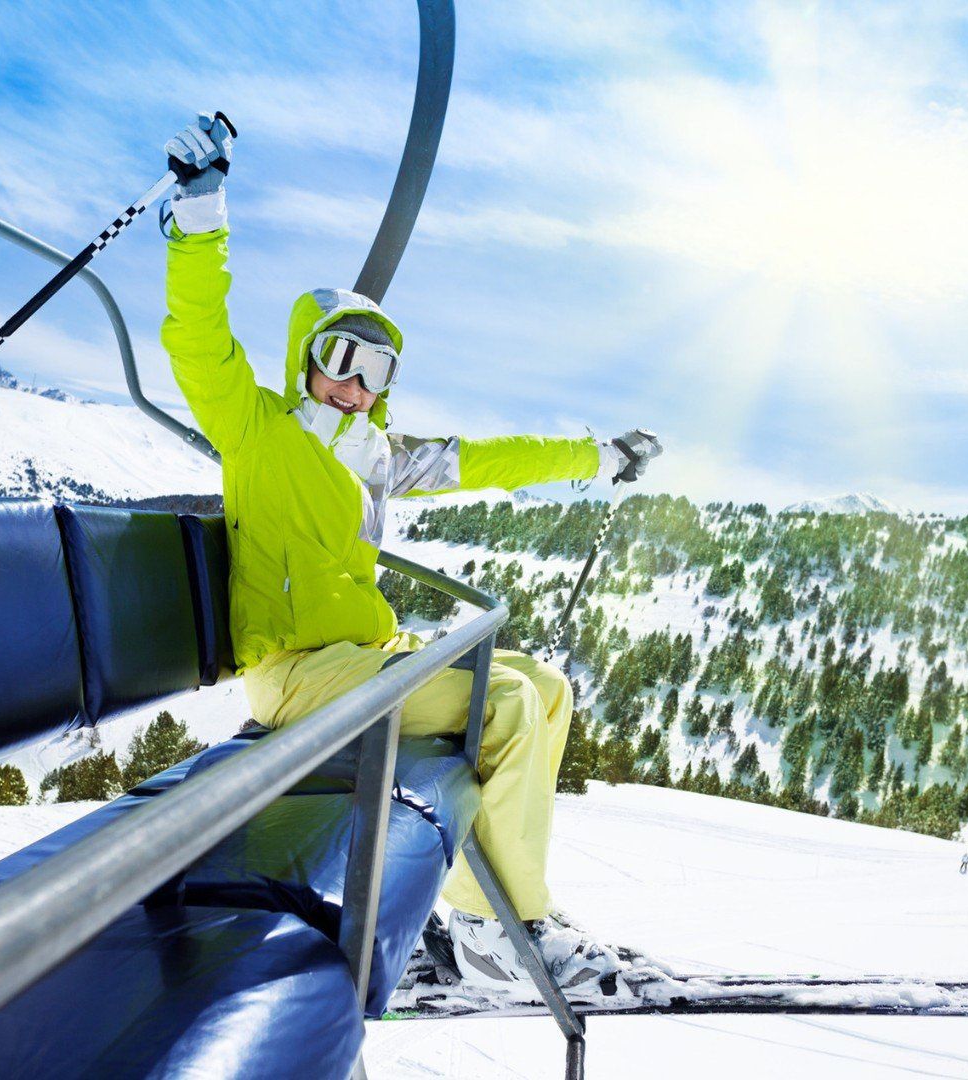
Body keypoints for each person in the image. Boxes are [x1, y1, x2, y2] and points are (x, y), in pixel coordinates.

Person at [159, 113, 662, 994]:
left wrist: (596, 457)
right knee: (504, 702)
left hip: (365, 658)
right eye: (340, 358)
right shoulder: (258, 430)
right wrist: (202, 215)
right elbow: (198, 338)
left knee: (546, 687)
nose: (354, 385)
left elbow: (492, 460)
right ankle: (490, 928)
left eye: (376, 372)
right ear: (305, 358)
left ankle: (491, 901)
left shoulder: (378, 458)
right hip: (296, 674)